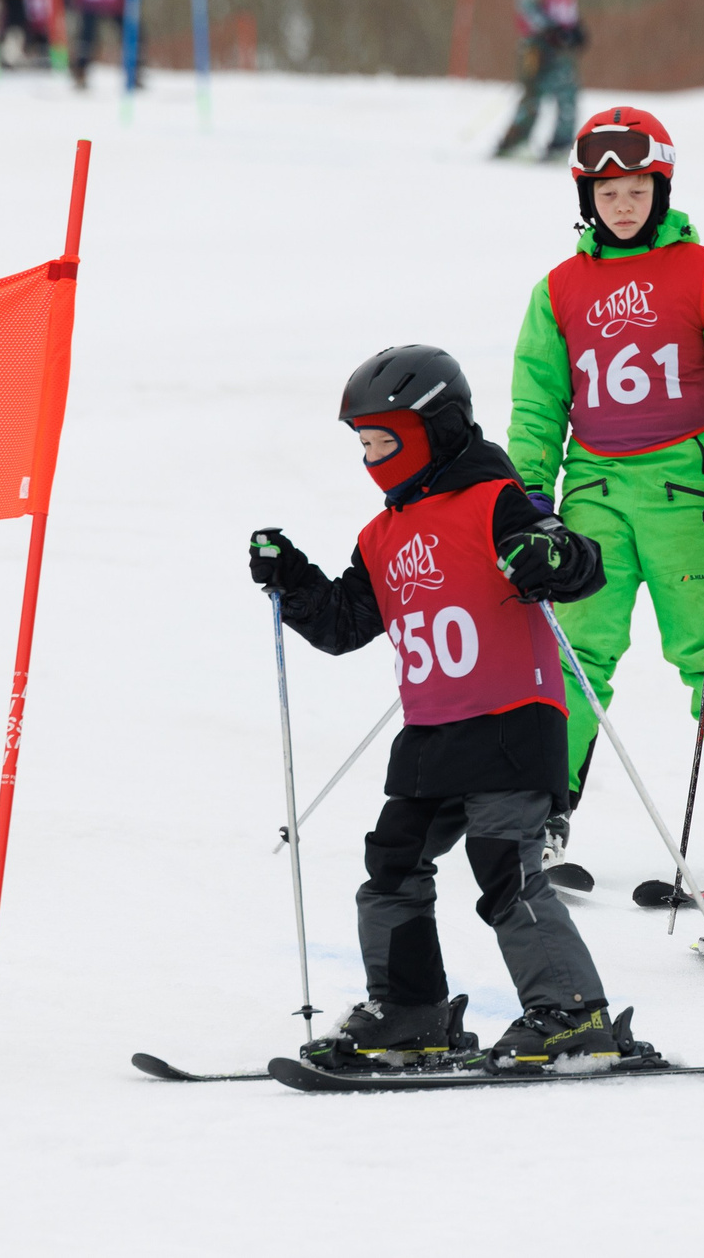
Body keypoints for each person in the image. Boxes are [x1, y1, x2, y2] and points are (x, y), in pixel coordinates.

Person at [247, 344, 641, 1072]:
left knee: (503, 864)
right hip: (431, 729)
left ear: (436, 427)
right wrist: (292, 578)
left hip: (513, 717)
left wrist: (552, 557)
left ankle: (572, 1016)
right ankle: (409, 1012)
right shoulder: (382, 534)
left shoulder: (496, 500)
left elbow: (578, 564)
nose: (370, 456)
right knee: (392, 867)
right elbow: (343, 626)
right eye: (362, 442)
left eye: (383, 439)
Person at [508, 107, 704, 867]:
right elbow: (538, 402)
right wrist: (528, 494)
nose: (621, 206)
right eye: (606, 193)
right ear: (584, 198)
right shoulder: (559, 289)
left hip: (687, 494)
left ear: (660, 190)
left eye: (636, 191)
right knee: (573, 649)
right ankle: (543, 808)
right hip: (595, 491)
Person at [493, 0, 586, 161]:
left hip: (561, 45)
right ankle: (514, 142)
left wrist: (575, 28)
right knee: (534, 94)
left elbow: (564, 6)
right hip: (539, 45)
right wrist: (549, 29)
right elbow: (526, 6)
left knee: (568, 94)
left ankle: (561, 144)